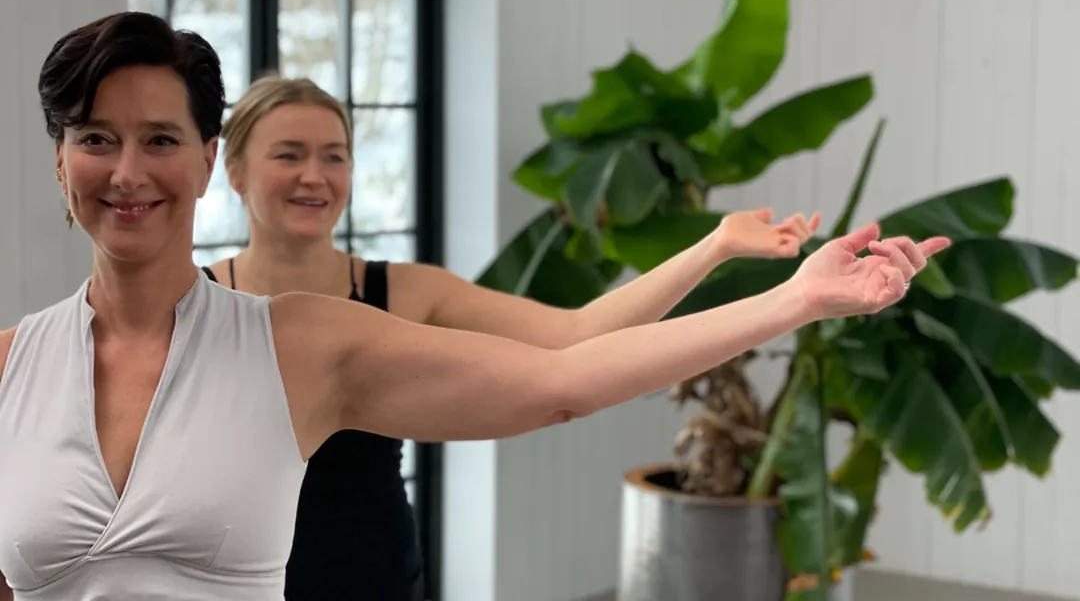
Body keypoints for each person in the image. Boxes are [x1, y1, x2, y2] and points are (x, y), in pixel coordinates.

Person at [0, 11, 949, 601]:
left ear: (206, 162)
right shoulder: (11, 365)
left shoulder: (307, 340)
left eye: (161, 140)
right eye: (96, 139)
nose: (127, 171)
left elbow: (564, 371)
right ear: (60, 161)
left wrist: (792, 298)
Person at [202, 74, 823, 600]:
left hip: (375, 573)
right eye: (289, 155)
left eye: (334, 156)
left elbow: (577, 334)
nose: (315, 175)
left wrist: (714, 247)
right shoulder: (195, 303)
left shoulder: (409, 290)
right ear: (233, 170)